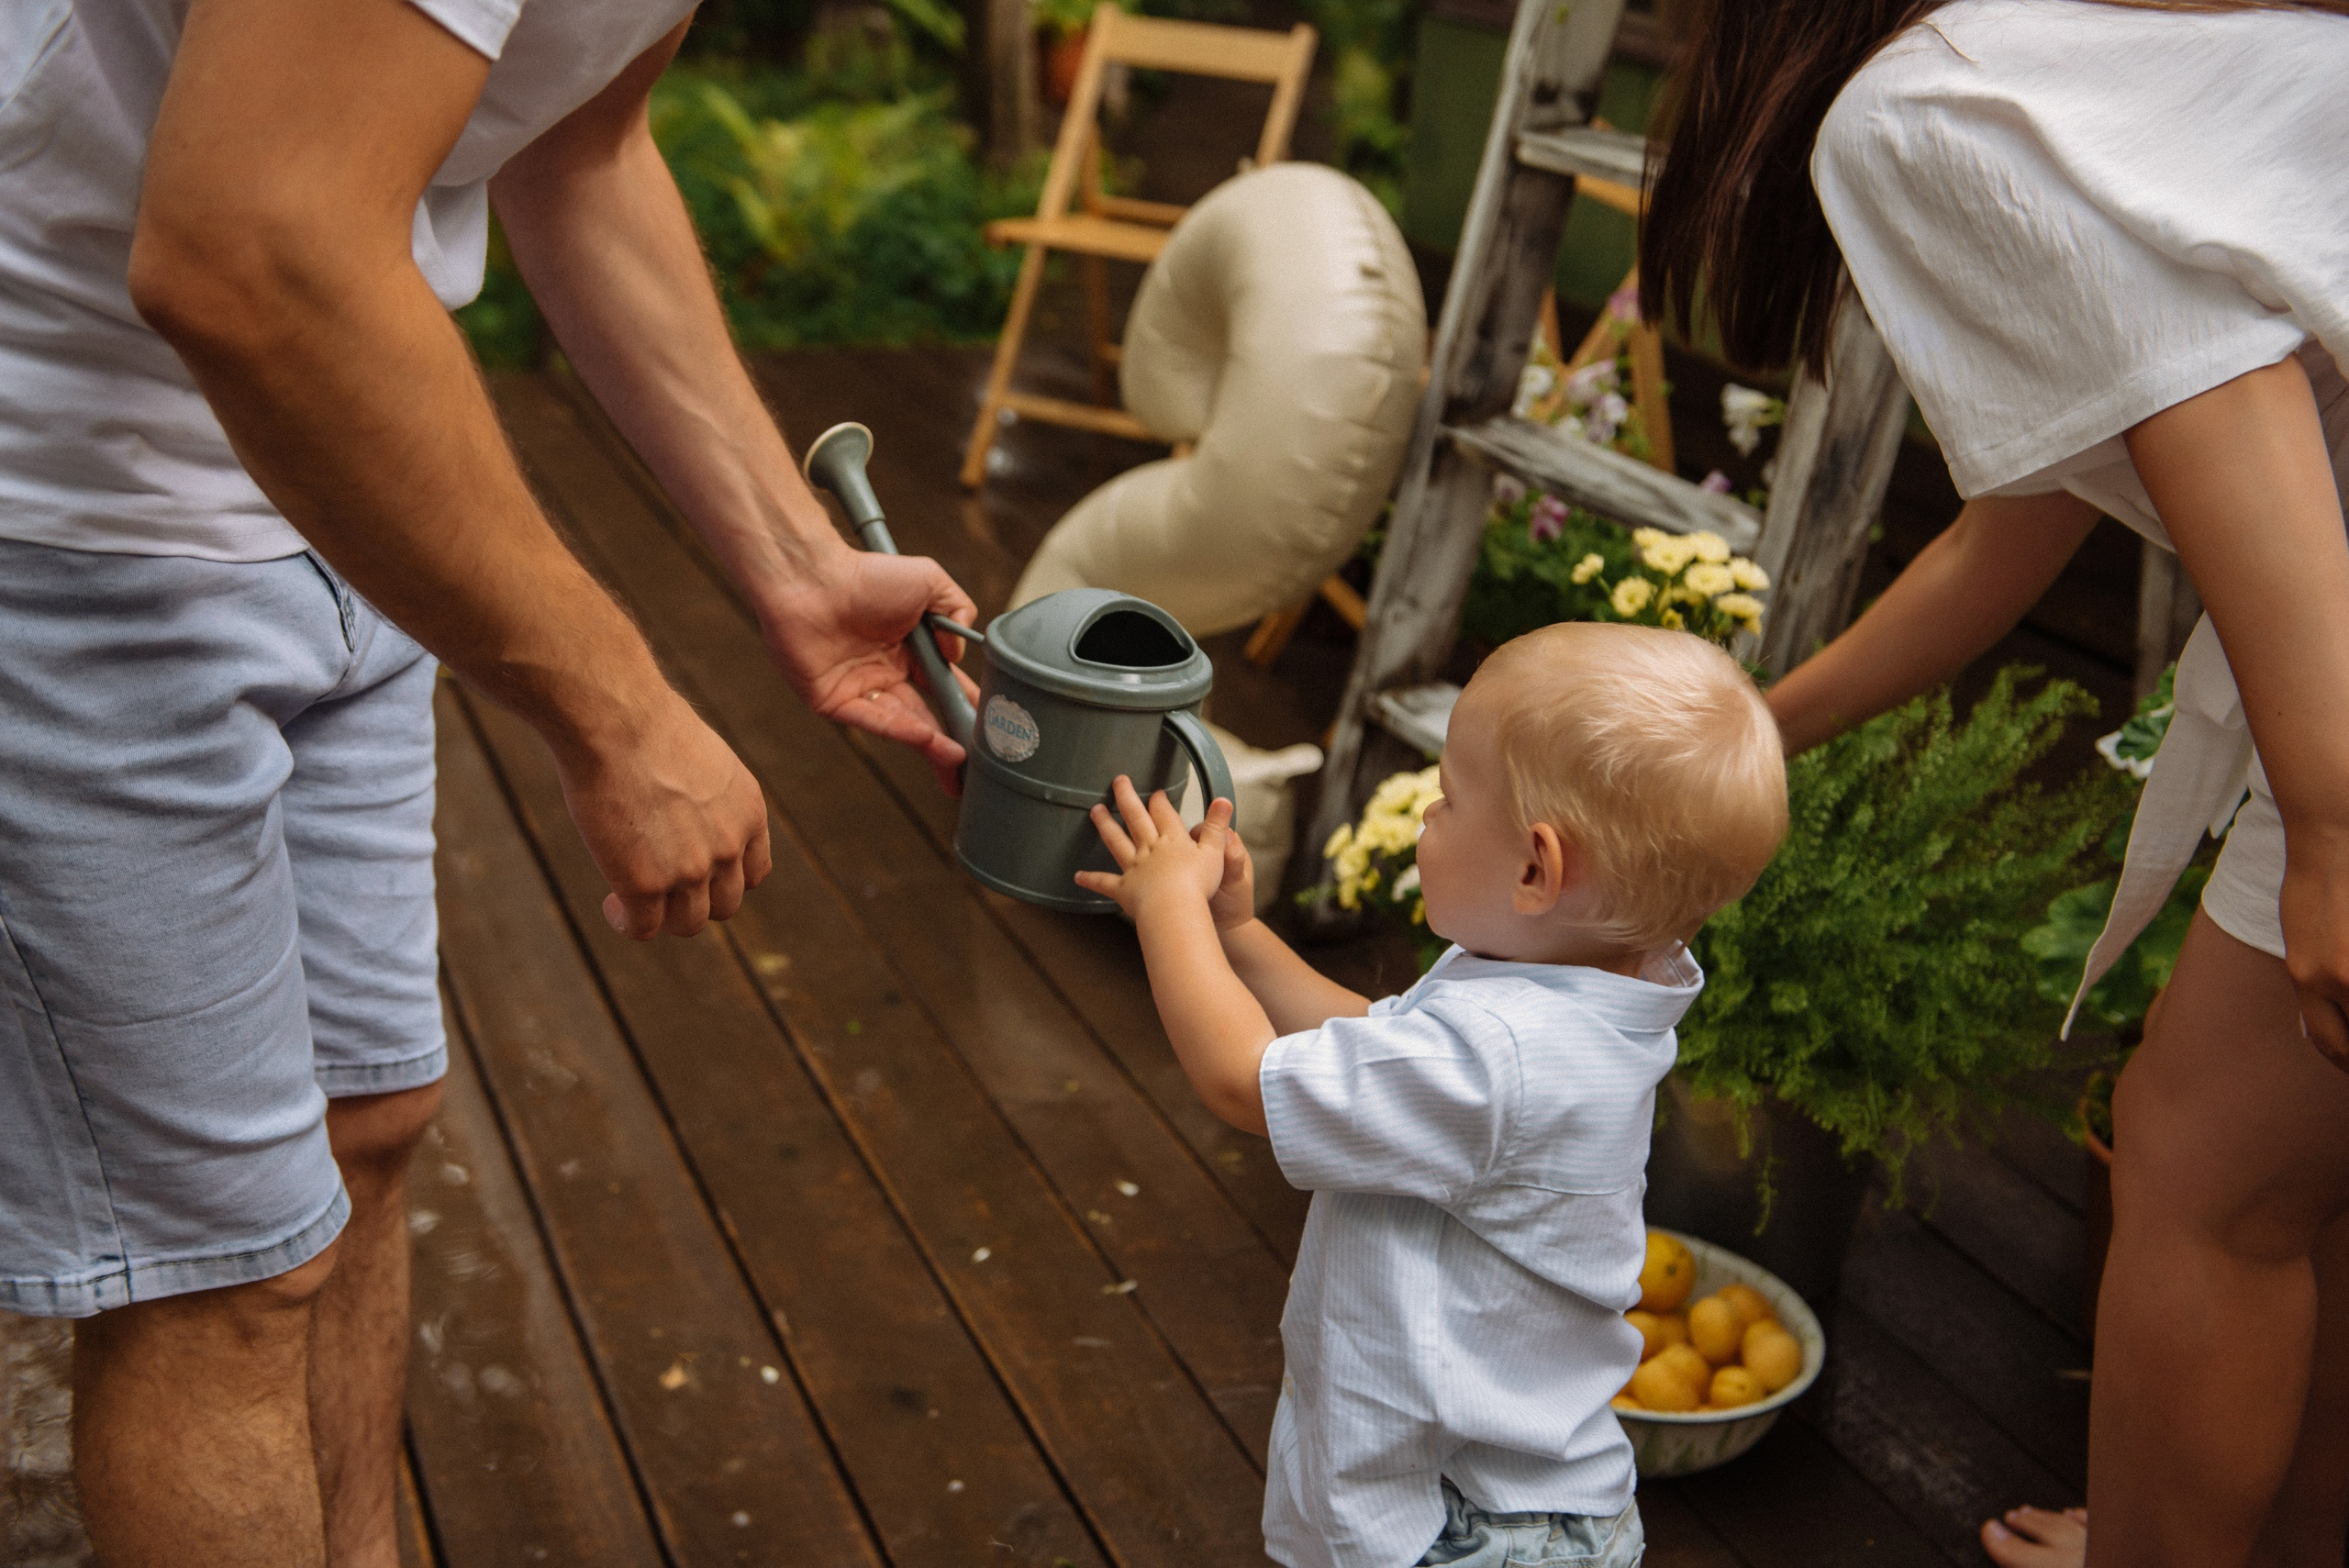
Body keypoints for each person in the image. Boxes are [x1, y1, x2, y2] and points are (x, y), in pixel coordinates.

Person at [0, 0, 975, 1562]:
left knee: (361, 1124)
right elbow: (250, 256)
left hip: (345, 469)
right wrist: (625, 712)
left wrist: (796, 560)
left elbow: (579, 140)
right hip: (64, 496)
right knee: (225, 1270)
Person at [1640, 2, 2349, 1564]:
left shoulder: (1927, 98)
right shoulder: (2079, 71)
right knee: (2292, 1184)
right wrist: (1753, 727)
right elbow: (2002, 537)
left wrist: (2335, 823)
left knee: (2208, 1172)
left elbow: (2224, 408)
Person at [1076, 623, 1789, 1568]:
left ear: (1536, 868)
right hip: (1526, 1506)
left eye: (1448, 800)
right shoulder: (1585, 993)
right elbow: (1381, 1047)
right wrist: (1240, 936)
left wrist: (1167, 908)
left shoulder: (1506, 1055)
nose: (1424, 818)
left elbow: (1240, 1078)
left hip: (1467, 1528)